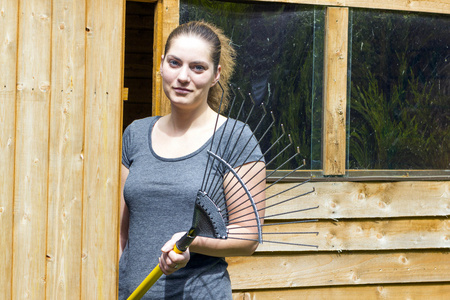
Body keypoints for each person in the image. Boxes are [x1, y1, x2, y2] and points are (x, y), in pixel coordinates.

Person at [119, 21, 266, 299]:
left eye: (198, 67)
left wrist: (191, 242)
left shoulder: (234, 138)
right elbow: (121, 235)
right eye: (175, 63)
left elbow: (248, 237)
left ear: (215, 75)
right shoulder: (136, 134)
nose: (183, 77)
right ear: (162, 65)